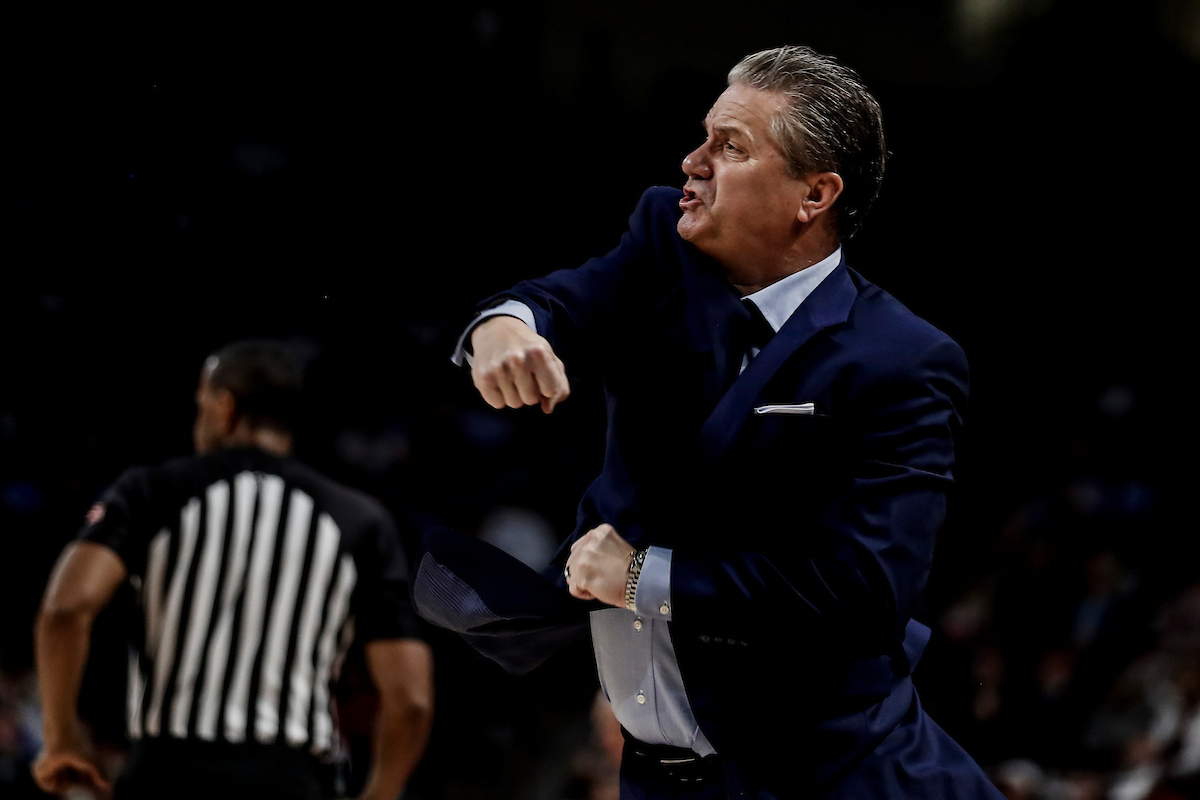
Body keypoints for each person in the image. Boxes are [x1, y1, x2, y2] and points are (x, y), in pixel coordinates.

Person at [416, 44, 1005, 799]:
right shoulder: (665, 240)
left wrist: (641, 578)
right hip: (660, 778)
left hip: (823, 775)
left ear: (814, 195)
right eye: (704, 136)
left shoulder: (903, 359)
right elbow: (567, 298)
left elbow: (863, 596)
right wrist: (507, 324)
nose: (694, 161)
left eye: (731, 147)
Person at [32, 340, 434, 800]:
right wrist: (381, 792)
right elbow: (412, 700)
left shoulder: (154, 491)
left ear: (225, 408)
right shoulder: (359, 520)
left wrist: (62, 737)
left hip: (166, 773)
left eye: (200, 406)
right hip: (289, 779)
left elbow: (65, 610)